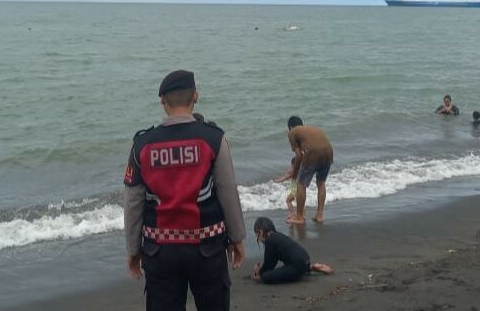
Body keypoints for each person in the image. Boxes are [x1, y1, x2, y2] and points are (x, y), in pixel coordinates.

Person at [123, 70, 246, 311]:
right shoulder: (213, 139)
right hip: (208, 248)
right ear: (196, 97)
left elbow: (133, 202)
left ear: (162, 101)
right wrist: (237, 238)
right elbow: (227, 190)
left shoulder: (142, 145)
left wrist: (133, 249)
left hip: (159, 251)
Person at [250, 217, 333, 284]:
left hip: (297, 266)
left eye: (257, 237)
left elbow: (269, 265)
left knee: (266, 277)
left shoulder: (269, 240)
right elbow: (272, 261)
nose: (259, 240)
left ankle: (307, 269)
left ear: (260, 232)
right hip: (305, 260)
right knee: (280, 269)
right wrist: (262, 268)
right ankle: (310, 267)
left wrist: (258, 273)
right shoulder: (277, 236)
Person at [285, 116, 333, 224]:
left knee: (301, 185)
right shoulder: (311, 129)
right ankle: (319, 215)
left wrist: (294, 172)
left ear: (290, 127)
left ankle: (299, 217)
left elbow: (298, 156)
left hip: (313, 153)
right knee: (321, 183)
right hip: (329, 152)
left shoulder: (292, 132)